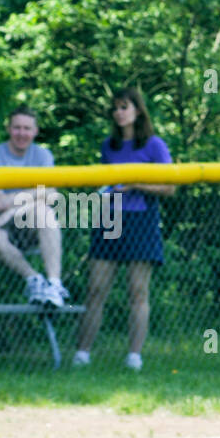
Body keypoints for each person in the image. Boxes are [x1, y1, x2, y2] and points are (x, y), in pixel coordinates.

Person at [73, 87, 176, 372]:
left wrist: (135, 184)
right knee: (95, 289)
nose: (120, 113)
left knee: (138, 292)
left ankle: (134, 356)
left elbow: (170, 187)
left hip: (141, 221)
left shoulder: (154, 145)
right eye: (116, 108)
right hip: (109, 219)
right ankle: (82, 353)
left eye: (125, 107)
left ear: (138, 110)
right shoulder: (110, 145)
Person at [0, 105, 67, 308]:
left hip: (27, 225)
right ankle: (34, 279)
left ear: (35, 131)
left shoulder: (43, 156)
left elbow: (52, 196)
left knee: (44, 211)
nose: (22, 133)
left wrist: (12, 210)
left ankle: (54, 284)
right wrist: (36, 195)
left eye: (27, 128)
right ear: (9, 129)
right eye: (17, 128)